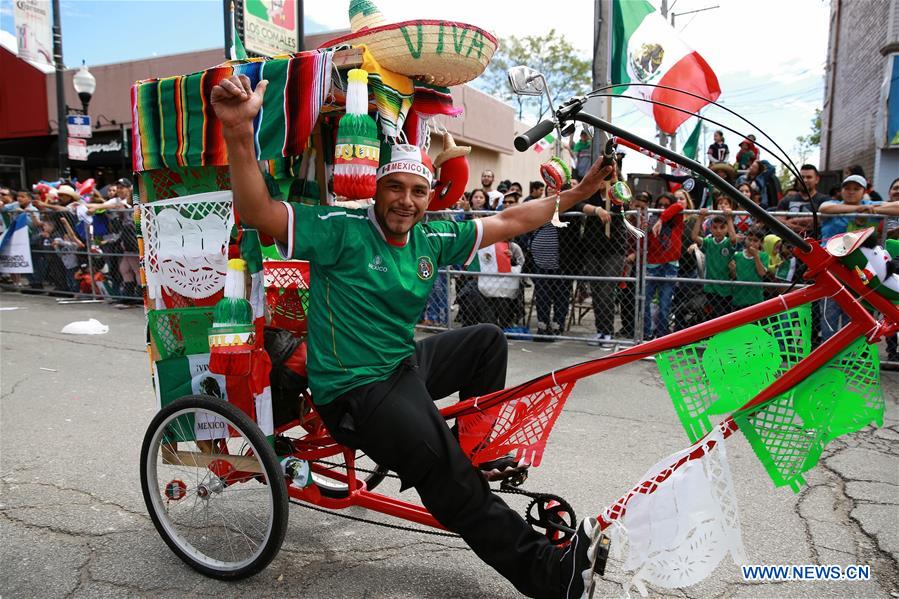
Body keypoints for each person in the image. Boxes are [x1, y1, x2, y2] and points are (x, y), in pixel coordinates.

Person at [211, 74, 612, 598]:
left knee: (487, 339)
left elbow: (512, 219)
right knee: (446, 474)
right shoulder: (343, 231)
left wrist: (576, 195)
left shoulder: (433, 235)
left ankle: (473, 450)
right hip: (355, 390)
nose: (406, 201)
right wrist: (240, 134)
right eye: (394, 188)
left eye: (418, 191)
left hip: (401, 366)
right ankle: (548, 576)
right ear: (375, 189)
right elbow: (258, 212)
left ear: (430, 196)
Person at [643, 193, 684, 339]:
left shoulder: (677, 219)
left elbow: (679, 205)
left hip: (669, 266)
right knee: (644, 302)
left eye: (666, 205)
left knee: (664, 304)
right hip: (652, 265)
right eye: (660, 205)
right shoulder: (650, 220)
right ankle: (646, 334)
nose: (662, 208)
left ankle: (661, 337)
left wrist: (662, 219)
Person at [691, 207, 737, 319]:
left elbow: (733, 239)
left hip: (725, 287)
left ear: (726, 229)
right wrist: (700, 218)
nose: (718, 230)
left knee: (724, 315)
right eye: (715, 227)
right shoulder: (709, 242)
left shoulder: (727, 243)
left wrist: (729, 219)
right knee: (713, 315)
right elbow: (694, 237)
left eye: (722, 227)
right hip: (710, 286)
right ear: (710, 229)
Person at [774, 164, 829, 236]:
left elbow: (819, 220)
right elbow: (779, 220)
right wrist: (799, 228)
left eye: (809, 177)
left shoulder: (824, 200)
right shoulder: (787, 200)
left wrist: (791, 221)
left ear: (817, 179)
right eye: (802, 177)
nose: (805, 180)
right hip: (789, 242)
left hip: (815, 242)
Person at [729, 227, 769, 309]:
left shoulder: (763, 255)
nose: (751, 243)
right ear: (745, 239)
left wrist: (756, 256)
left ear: (761, 243)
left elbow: (762, 273)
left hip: (756, 298)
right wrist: (732, 269)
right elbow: (733, 276)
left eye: (755, 241)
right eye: (749, 239)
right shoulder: (737, 255)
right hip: (739, 298)